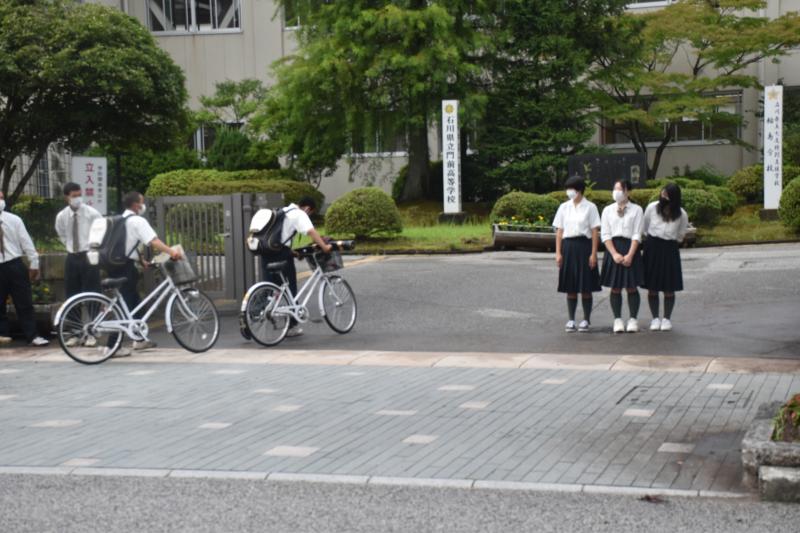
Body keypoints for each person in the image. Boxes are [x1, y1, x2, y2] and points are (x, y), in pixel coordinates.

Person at [107, 191, 181, 357]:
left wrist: (141, 260)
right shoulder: (137, 221)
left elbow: (126, 244)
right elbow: (153, 241)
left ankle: (139, 339)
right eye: (142, 202)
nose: (143, 205)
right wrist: (172, 252)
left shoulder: (119, 220)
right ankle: (112, 346)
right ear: (136, 205)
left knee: (135, 302)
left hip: (117, 264)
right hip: (125, 268)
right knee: (125, 305)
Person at [260, 196, 332, 338]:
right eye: (310, 213)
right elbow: (311, 232)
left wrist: (293, 252)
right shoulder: (299, 214)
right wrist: (324, 247)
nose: (309, 215)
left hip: (266, 252)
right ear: (307, 208)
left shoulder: (282, 211)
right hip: (281, 255)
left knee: (269, 287)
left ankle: (252, 316)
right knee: (290, 288)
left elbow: (279, 237)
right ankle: (291, 326)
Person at [0, 191, 50, 346]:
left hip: (14, 263)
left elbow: (26, 242)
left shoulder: (14, 220)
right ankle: (2, 334)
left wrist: (34, 263)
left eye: (1, 198)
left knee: (24, 302)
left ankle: (32, 335)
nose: (1, 201)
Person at [553, 176, 602, 332]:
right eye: (567, 189)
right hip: (568, 247)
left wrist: (593, 254)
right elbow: (559, 231)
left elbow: (594, 231)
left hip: (584, 246)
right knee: (570, 286)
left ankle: (586, 319)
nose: (568, 192)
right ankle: (571, 319)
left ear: (579, 190)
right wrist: (558, 253)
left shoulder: (590, 207)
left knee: (586, 285)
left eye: (571, 189)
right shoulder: (563, 207)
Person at [641, 183, 689, 332]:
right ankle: (655, 318)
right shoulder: (652, 207)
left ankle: (667, 319)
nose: (664, 196)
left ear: (674, 197)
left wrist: (670, 240)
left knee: (669, 286)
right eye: (663, 193)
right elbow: (645, 227)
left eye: (667, 195)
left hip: (670, 248)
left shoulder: (681, 214)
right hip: (652, 247)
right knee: (652, 286)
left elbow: (681, 235)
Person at [600, 179, 645, 334]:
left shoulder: (637, 210)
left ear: (628, 191)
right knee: (615, 287)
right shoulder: (607, 210)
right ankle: (617, 319)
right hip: (613, 248)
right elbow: (605, 234)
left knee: (631, 286)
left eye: (620, 189)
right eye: (615, 188)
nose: (616, 192)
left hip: (631, 247)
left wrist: (630, 255)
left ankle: (633, 319)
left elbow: (637, 234)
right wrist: (614, 253)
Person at [55, 182, 102, 299]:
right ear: (66, 197)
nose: (78, 198)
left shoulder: (92, 213)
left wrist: (95, 248)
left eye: (79, 195)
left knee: (92, 291)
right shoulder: (62, 216)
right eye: (74, 196)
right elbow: (61, 233)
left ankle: (94, 311)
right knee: (72, 292)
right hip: (72, 257)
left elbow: (102, 232)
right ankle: (73, 311)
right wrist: (69, 245)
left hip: (89, 255)